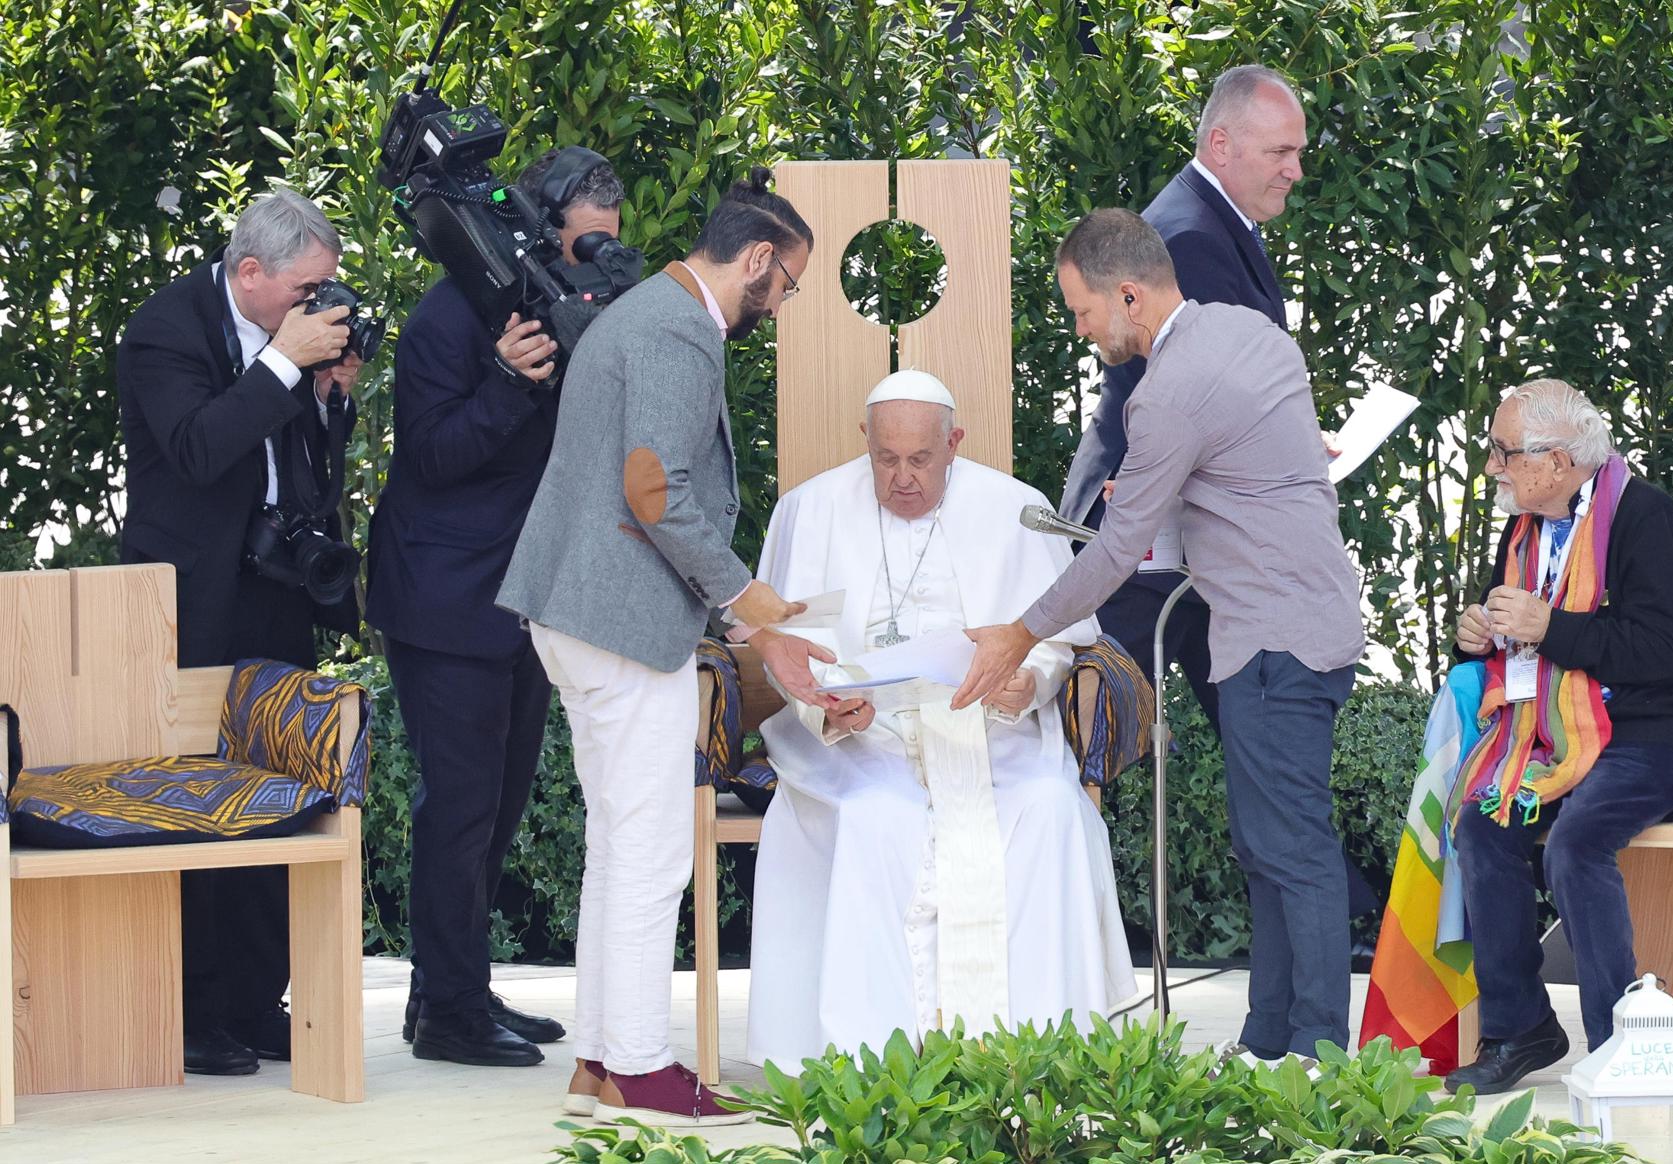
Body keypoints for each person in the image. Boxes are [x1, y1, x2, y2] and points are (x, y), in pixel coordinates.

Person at [957, 209, 1365, 1067]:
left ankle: (1323, 1049)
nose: (1081, 330)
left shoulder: (1167, 393)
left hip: (1273, 636)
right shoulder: (1250, 334)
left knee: (1292, 846)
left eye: (1081, 311)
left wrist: (1017, 634)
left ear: (1130, 295)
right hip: (1302, 624)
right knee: (1266, 845)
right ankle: (1268, 1040)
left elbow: (1115, 550)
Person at [497, 166, 829, 1128]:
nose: (784, 301)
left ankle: (604, 1057)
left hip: (577, 612)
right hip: (623, 623)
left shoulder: (641, 311)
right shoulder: (684, 329)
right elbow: (656, 492)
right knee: (649, 858)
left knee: (618, 847)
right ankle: (642, 1066)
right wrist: (752, 601)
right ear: (757, 259)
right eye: (789, 283)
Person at [1057, 65, 1378, 932]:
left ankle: (1318, 948)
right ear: (1221, 144)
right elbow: (1202, 394)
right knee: (1077, 738)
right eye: (1282, 151)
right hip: (1152, 531)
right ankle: (1052, 918)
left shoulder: (1215, 220)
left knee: (1256, 759)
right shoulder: (1193, 239)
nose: (1295, 171)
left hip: (1184, 528)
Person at [742, 371, 1134, 1072]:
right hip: (862, 740)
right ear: (865, 442)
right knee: (875, 818)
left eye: (920, 459)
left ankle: (1040, 1056)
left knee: (1047, 808)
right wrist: (825, 708)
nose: (900, 478)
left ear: (953, 443)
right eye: (885, 459)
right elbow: (783, 654)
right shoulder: (811, 510)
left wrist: (1029, 682)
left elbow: (1063, 640)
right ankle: (873, 1063)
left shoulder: (1018, 510)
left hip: (991, 733)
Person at [365, 147, 624, 1067]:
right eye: (586, 244)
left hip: (520, 597)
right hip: (445, 600)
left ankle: (452, 989)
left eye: (610, 248)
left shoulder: (565, 317)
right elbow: (429, 459)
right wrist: (512, 384)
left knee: (500, 807)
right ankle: (448, 1017)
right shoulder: (444, 318)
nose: (594, 264)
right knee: (461, 808)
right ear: (542, 227)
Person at [117, 189, 364, 1076]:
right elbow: (196, 448)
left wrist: (329, 394)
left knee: (278, 794)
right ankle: (193, 1007)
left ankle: (260, 1000)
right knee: (196, 800)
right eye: (305, 290)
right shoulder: (166, 329)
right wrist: (285, 366)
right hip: (190, 599)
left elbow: (309, 468)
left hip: (277, 587)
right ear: (249, 272)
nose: (316, 305)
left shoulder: (292, 338)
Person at [1443, 379, 1673, 1095]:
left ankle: (1616, 1044)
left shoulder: (1645, 517)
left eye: (1503, 453)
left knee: (1577, 842)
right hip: (1548, 734)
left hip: (1657, 731)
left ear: (1560, 459)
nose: (1492, 469)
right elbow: (1505, 642)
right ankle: (1520, 1028)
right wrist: (1474, 635)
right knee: (1483, 825)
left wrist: (1551, 628)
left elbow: (1663, 654)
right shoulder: (1527, 527)